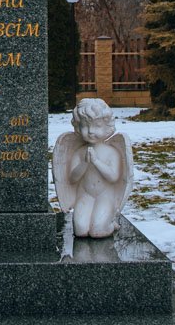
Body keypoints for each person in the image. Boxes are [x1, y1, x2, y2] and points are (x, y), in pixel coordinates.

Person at [51, 99, 134, 238]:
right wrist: (84, 163)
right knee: (80, 231)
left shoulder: (111, 152)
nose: (90, 131)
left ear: (107, 126)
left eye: (97, 126)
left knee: (97, 231)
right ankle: (99, 220)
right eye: (85, 126)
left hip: (105, 195)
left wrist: (96, 162)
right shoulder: (79, 152)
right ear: (78, 127)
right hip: (85, 194)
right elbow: (72, 178)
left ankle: (110, 223)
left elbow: (113, 177)